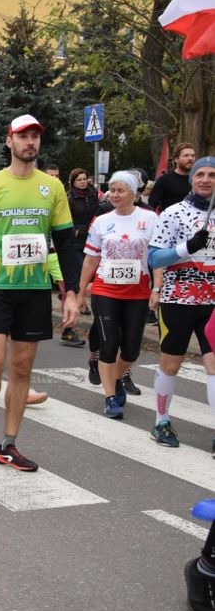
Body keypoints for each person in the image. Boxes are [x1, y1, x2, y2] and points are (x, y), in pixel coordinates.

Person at [0, 114, 81, 472]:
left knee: (22, 368)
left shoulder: (51, 188)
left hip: (35, 289)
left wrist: (72, 292)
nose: (30, 142)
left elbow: (66, 242)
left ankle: (8, 445)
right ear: (9, 141)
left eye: (36, 136)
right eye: (23, 135)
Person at [146, 156, 215, 449]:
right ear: (191, 179)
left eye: (212, 175)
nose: (206, 179)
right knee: (171, 363)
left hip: (212, 302)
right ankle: (161, 421)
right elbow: (153, 258)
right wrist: (186, 248)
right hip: (178, 299)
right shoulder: (173, 214)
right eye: (200, 174)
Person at [76, 171, 158, 418]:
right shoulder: (101, 221)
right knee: (109, 345)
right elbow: (91, 260)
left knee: (131, 350)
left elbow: (157, 257)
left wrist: (157, 288)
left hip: (137, 292)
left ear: (134, 193)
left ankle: (117, 377)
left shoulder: (150, 218)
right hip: (105, 290)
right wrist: (80, 293)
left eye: (121, 190)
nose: (115, 194)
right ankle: (110, 397)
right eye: (112, 190)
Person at [149, 142, 197, 212]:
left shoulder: (198, 180)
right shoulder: (164, 180)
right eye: (186, 155)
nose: (190, 158)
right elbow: (151, 205)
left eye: (192, 156)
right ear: (176, 159)